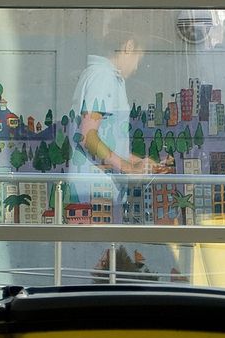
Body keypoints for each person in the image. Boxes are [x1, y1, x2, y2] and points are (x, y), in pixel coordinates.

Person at [66, 17, 169, 215]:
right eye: (139, 57)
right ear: (128, 46)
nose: (137, 66)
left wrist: (136, 163)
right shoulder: (104, 76)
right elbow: (88, 135)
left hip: (97, 190)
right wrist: (128, 169)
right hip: (94, 193)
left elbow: (106, 140)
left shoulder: (102, 75)